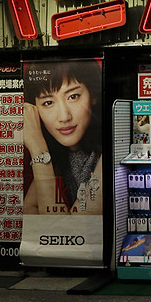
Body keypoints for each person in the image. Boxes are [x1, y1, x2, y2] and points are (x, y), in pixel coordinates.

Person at [23, 60, 103, 215]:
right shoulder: (59, 154)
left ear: (93, 95)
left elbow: (69, 231)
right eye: (48, 102)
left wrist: (37, 148)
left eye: (73, 96)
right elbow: (29, 211)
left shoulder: (110, 150)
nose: (64, 116)